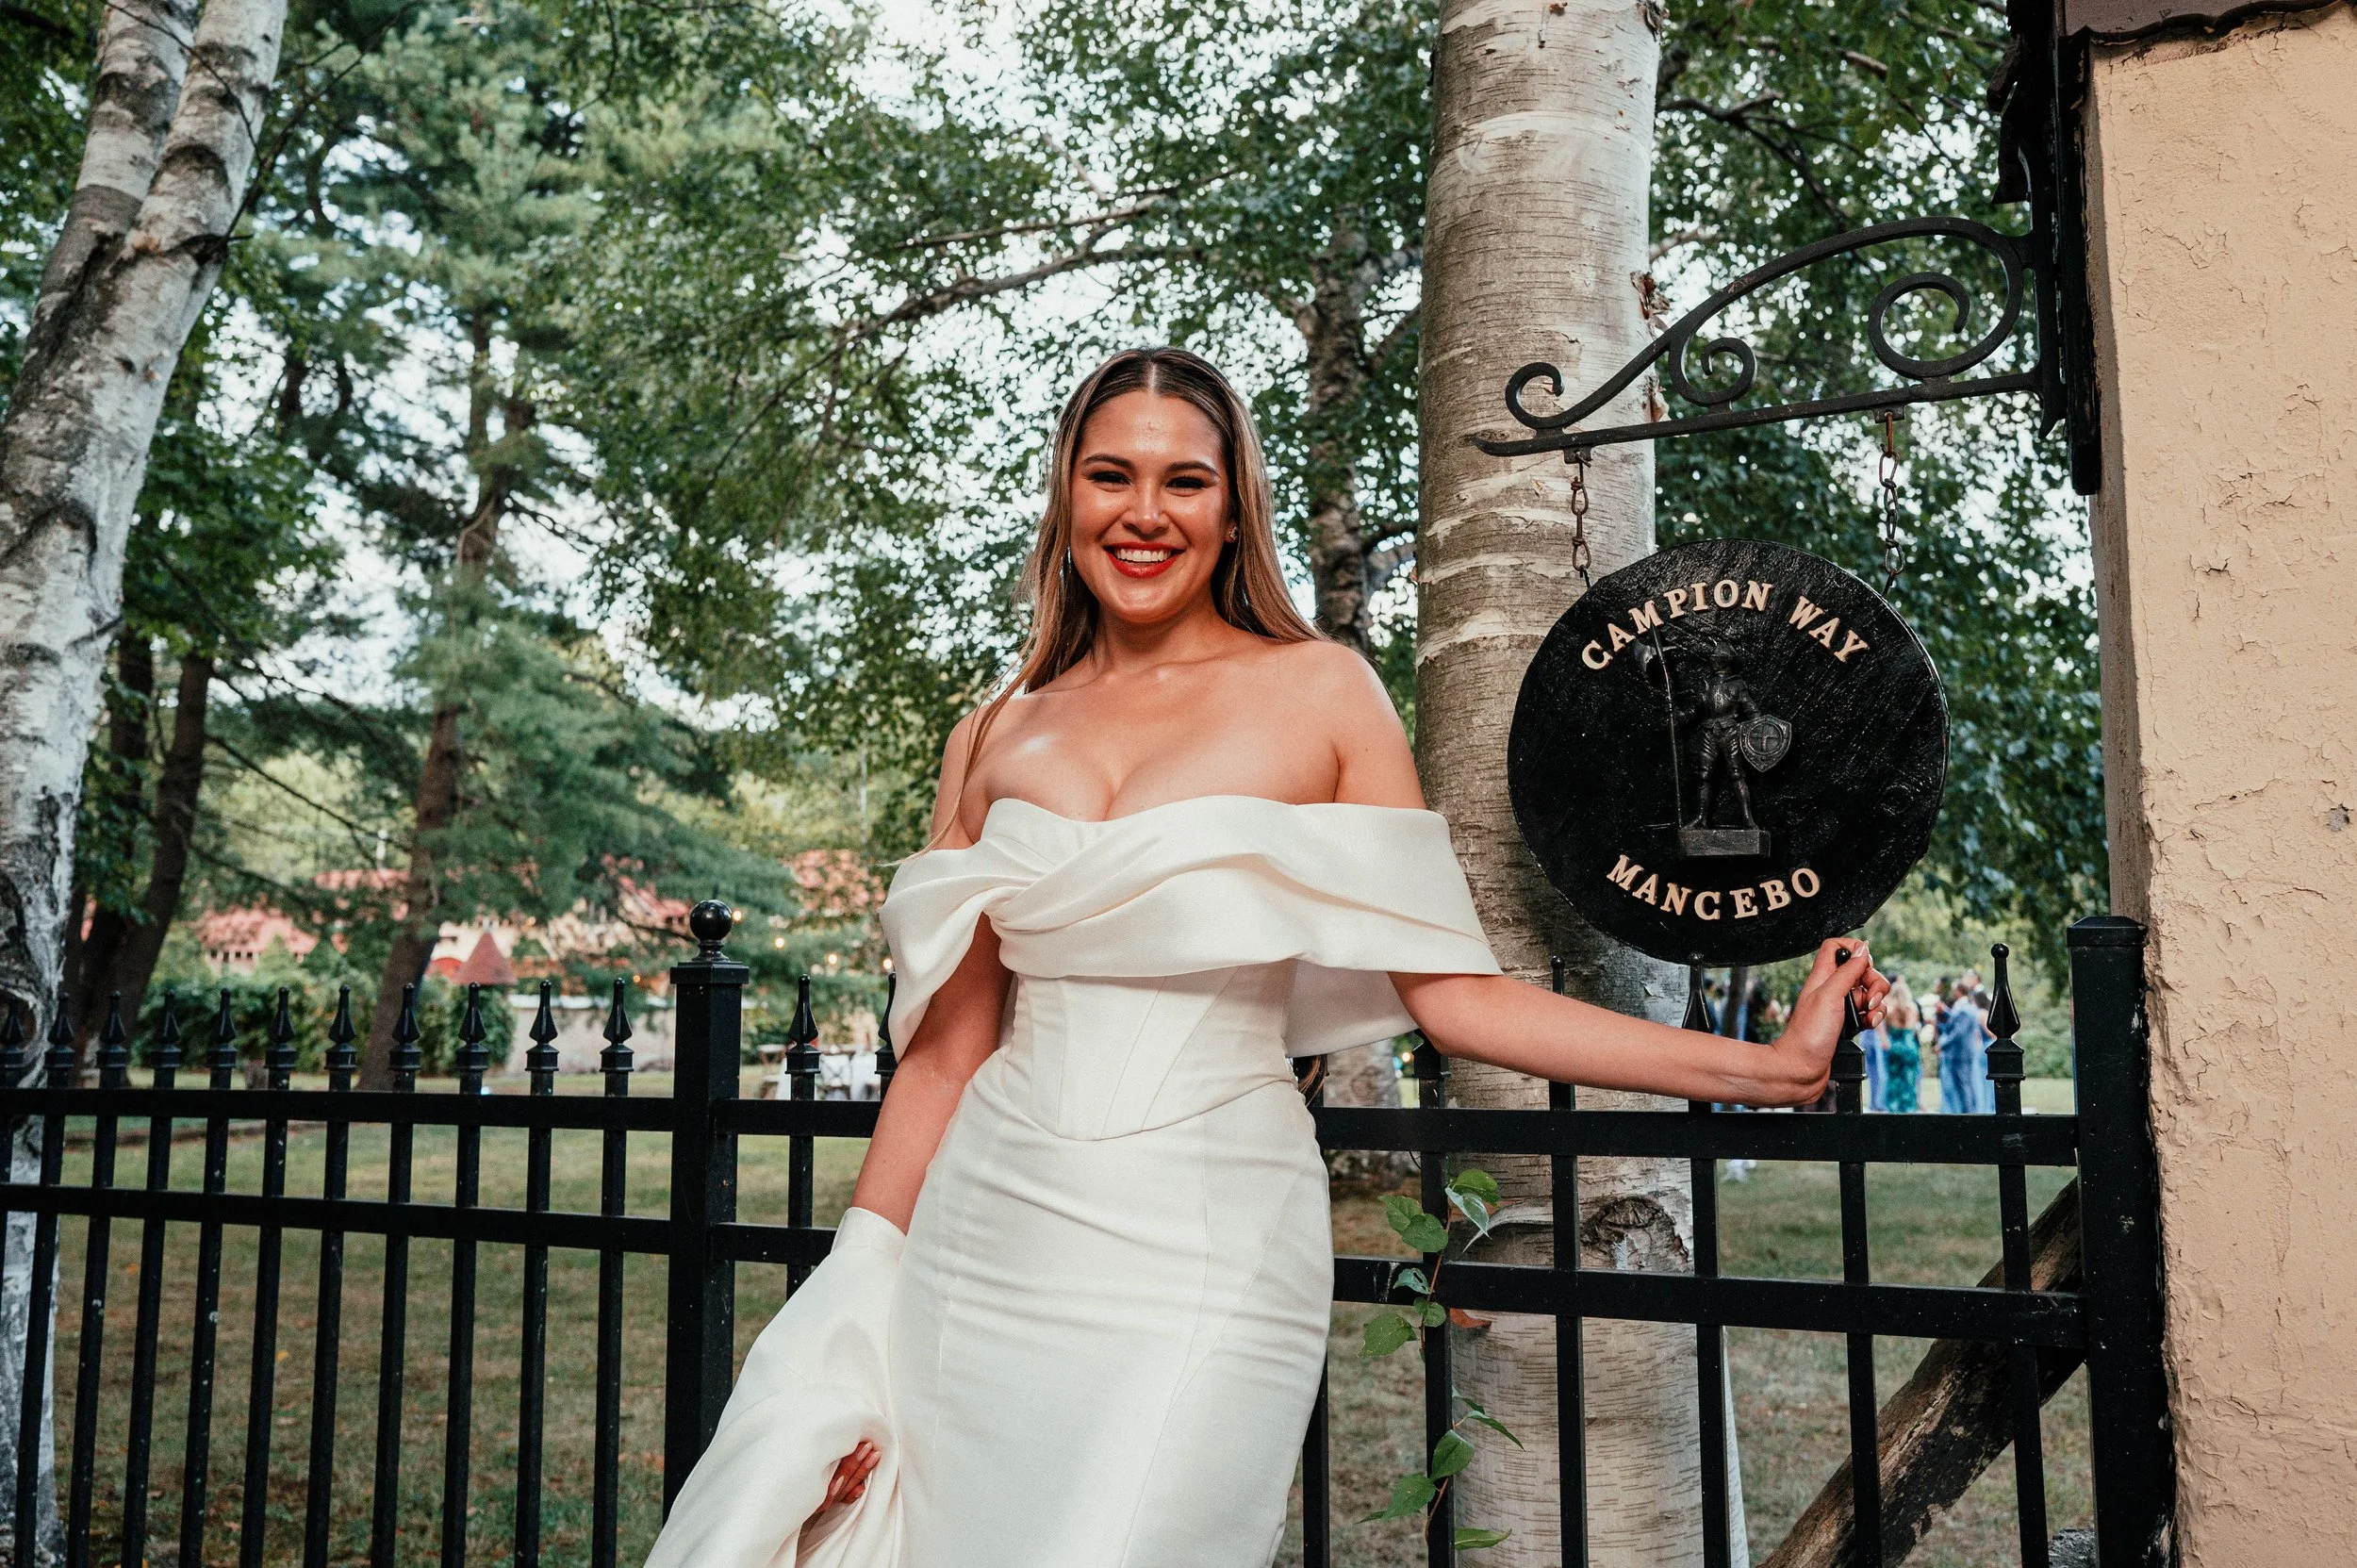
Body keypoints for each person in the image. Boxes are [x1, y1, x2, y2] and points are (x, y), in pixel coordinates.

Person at [641, 348, 1889, 1568]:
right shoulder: (992, 731)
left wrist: (1766, 1069)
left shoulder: (1324, 693)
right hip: (988, 1234)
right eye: (1109, 474)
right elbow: (949, 1050)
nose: (1144, 512)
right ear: (1065, 496)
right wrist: (850, 1304)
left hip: (1213, 1234)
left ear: (1234, 509)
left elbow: (1451, 997)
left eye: (1185, 481)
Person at [1937, 977, 1989, 1114]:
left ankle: (1969, 1112)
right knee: (1963, 1084)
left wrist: (1942, 1045)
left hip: (1961, 1052)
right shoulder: (1964, 1006)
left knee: (1964, 1084)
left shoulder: (1965, 1008)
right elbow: (1956, 1021)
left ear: (1959, 991)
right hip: (1962, 1052)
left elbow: (1959, 1031)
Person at [1881, 973, 1921, 1114]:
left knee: (1894, 1081)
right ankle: (1909, 1109)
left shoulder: (1889, 1010)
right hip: (1909, 1046)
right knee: (1910, 1081)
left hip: (1895, 1046)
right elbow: (1914, 1028)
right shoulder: (1912, 1009)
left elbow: (1884, 1029)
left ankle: (1894, 1109)